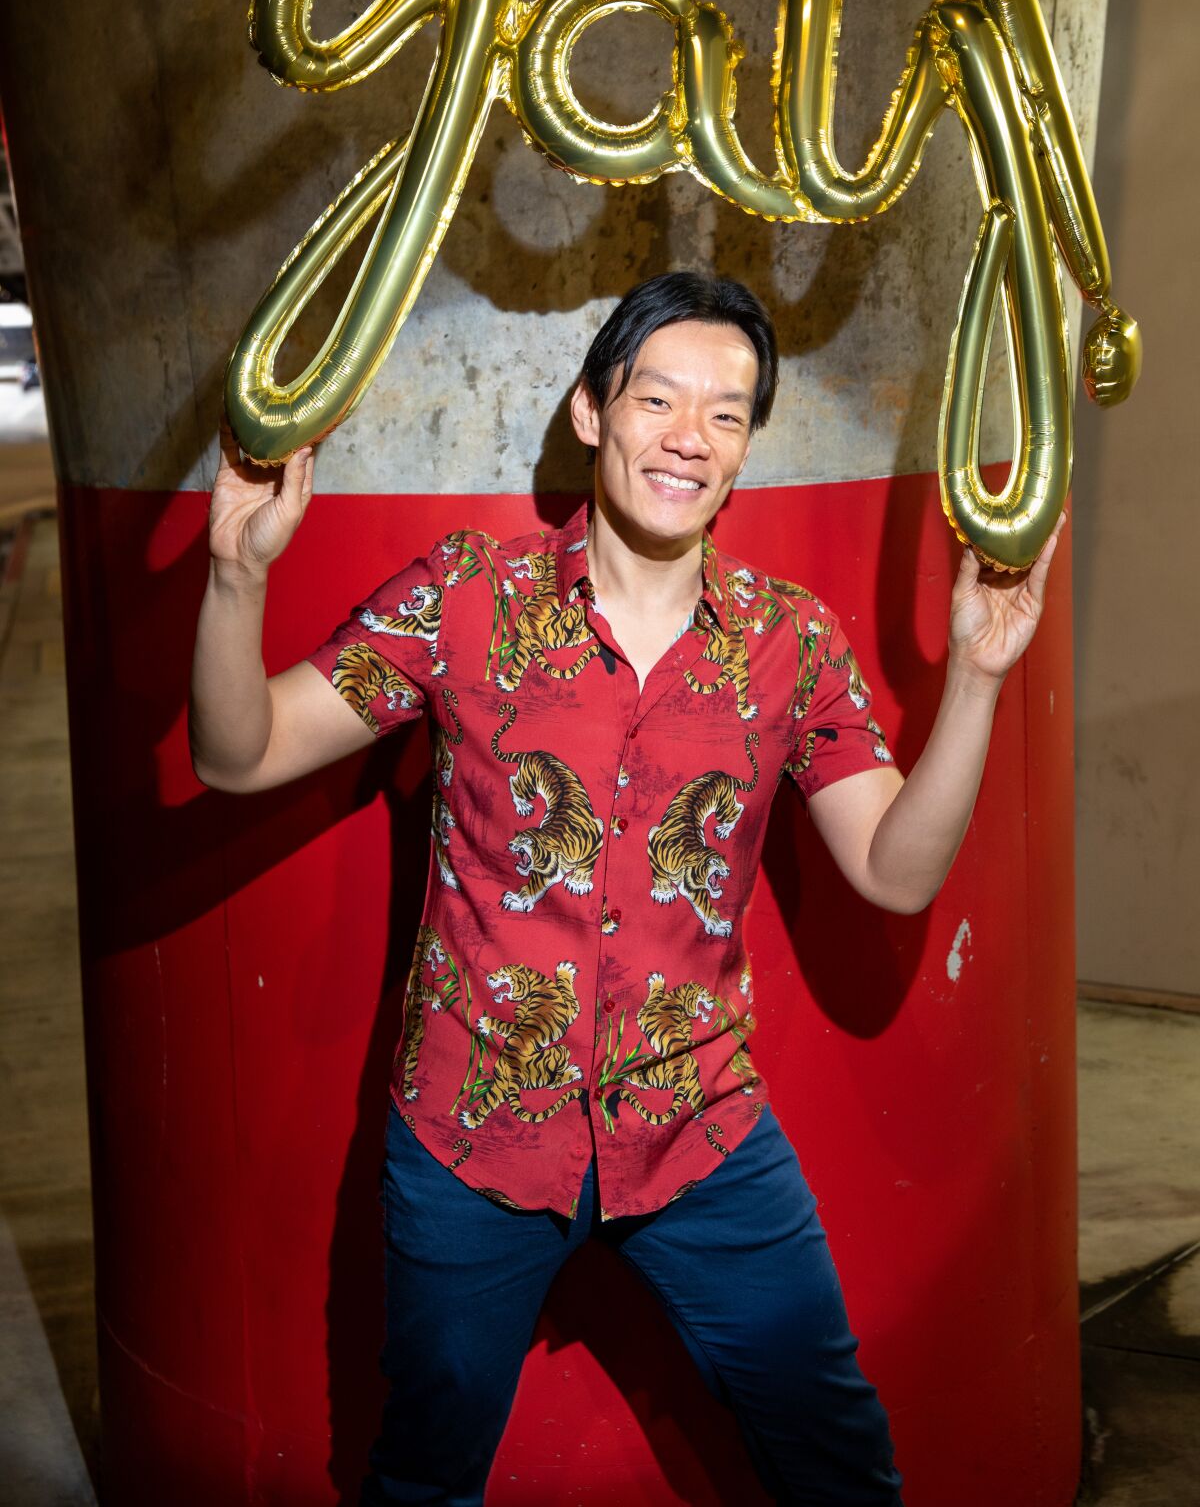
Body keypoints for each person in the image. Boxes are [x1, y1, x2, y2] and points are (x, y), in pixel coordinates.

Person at [189, 271, 1064, 1505]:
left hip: (698, 1128)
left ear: (747, 447)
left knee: (841, 1467)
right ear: (593, 412)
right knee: (420, 1479)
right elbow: (237, 755)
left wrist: (976, 676)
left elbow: (895, 871)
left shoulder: (790, 642)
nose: (687, 437)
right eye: (657, 398)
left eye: (725, 413)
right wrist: (236, 574)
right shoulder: (466, 603)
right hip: (471, 1136)